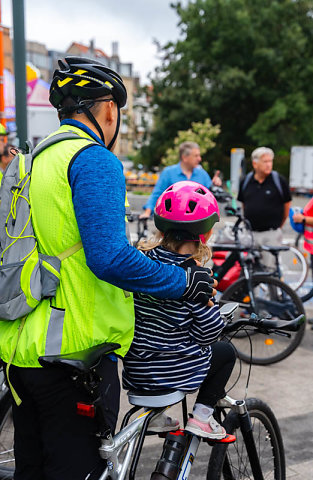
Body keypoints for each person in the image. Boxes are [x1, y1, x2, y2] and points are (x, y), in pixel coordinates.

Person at [0, 57, 216, 480]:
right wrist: (185, 282)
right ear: (109, 110)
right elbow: (109, 257)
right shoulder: (93, 159)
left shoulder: (30, 161)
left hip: (20, 353)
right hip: (72, 356)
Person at [123, 180, 236, 439]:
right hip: (172, 374)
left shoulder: (142, 264)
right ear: (205, 233)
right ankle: (202, 418)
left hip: (137, 371)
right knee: (225, 352)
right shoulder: (195, 276)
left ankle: (156, 416)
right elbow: (208, 333)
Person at [237, 147, 291, 266]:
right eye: (265, 161)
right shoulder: (246, 181)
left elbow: (287, 206)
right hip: (251, 234)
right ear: (255, 164)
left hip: (271, 233)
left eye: (270, 161)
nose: (268, 165)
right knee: (248, 268)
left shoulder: (279, 181)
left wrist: (278, 227)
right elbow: (244, 205)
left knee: (270, 269)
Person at [140, 141, 222, 219]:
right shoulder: (168, 173)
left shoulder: (202, 174)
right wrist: (147, 213)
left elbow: (209, 197)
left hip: (198, 222)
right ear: (185, 157)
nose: (199, 159)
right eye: (196, 156)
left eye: (199, 155)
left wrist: (214, 185)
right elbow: (157, 195)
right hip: (173, 220)